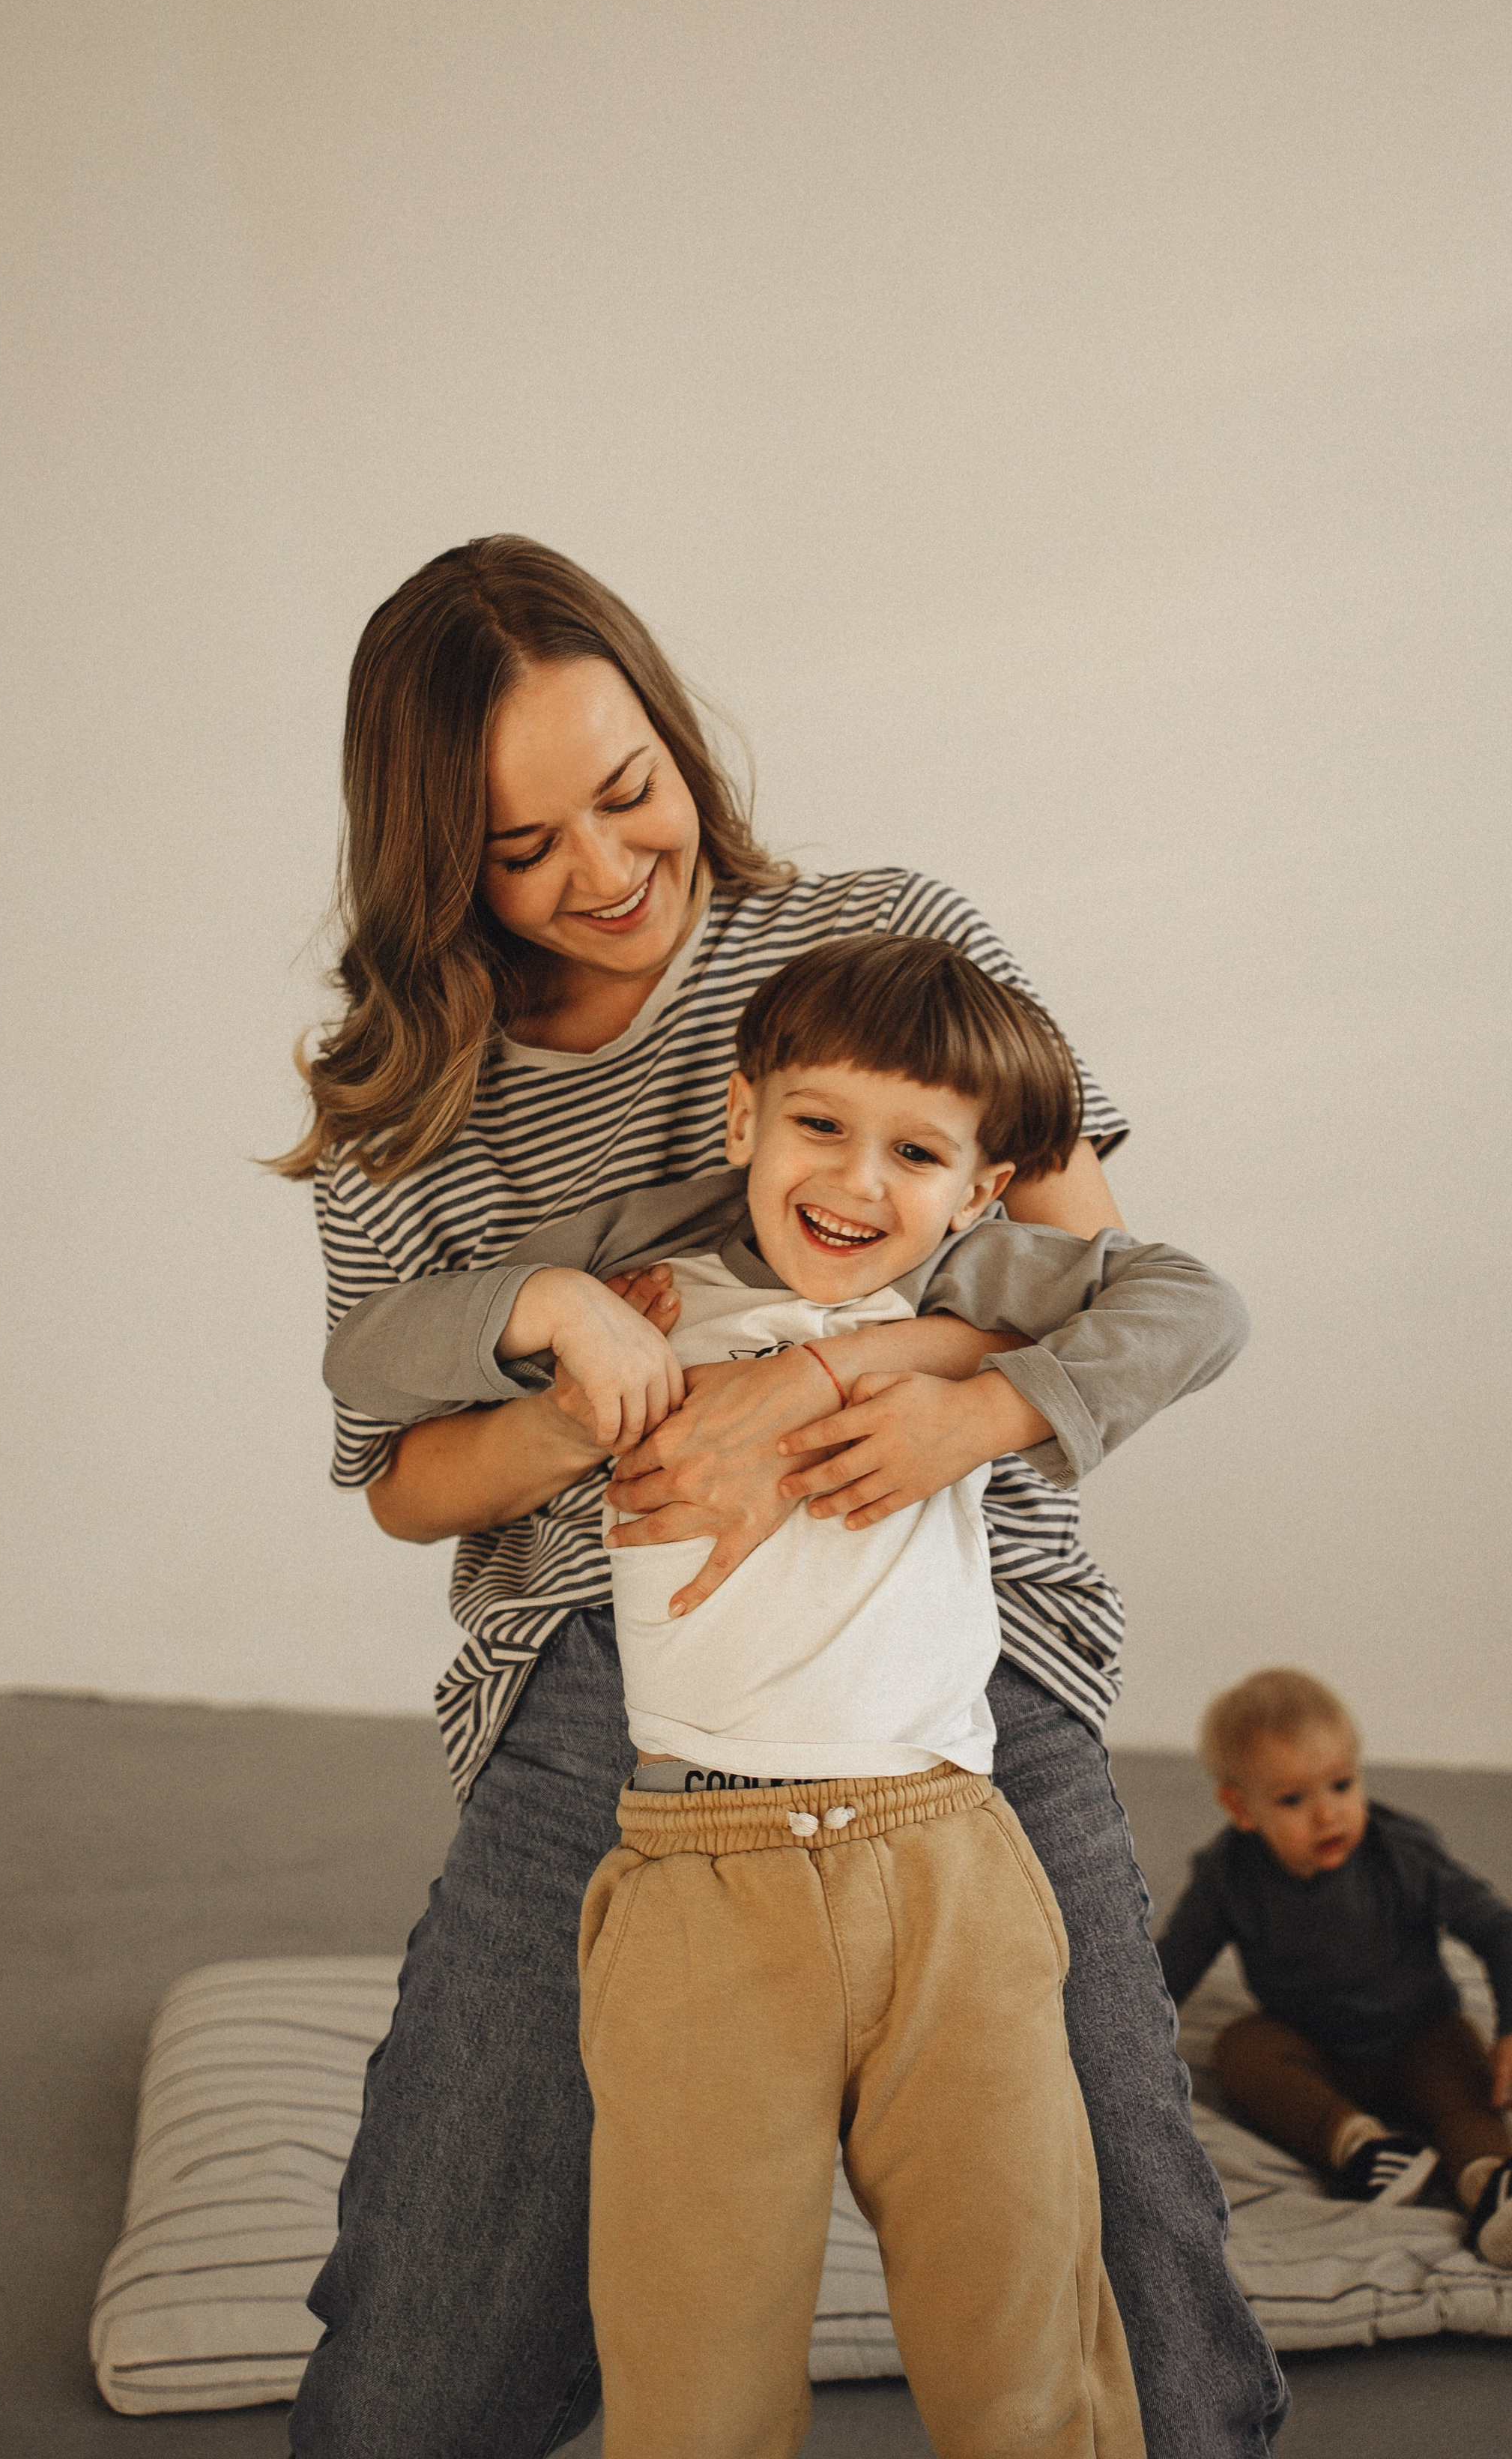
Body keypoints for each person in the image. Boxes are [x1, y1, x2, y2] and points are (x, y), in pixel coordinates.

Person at [277, 534, 1287, 2458]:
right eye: (518, 845)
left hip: (955, 1651)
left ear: (674, 730)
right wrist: (590, 1378)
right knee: (407, 2387)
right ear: (432, 859)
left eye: (627, 786)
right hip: (612, 1684)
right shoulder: (405, 1097)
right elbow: (403, 1474)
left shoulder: (885, 934)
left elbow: (1098, 1273)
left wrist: (871, 1393)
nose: (602, 868)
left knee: (1135, 2326)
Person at [332, 931, 1176, 2455]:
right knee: (690, 2344)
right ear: (741, 1118)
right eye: (818, 1128)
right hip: (696, 1875)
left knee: (1019, 2328)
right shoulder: (647, 1274)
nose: (856, 1184)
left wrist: (957, 1402)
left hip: (946, 1864)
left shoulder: (974, 1292)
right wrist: (553, 1311)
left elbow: (1195, 1305)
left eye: (915, 1152)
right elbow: (372, 1355)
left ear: (982, 1189)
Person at [1155, 1668, 1512, 2268]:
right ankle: (1364, 2147)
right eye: (1294, 1799)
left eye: (1341, 1786)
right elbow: (1172, 1967)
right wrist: (1116, 2036)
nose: (1327, 1815)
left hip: (1418, 2032)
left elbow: (1498, 1928)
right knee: (1241, 2048)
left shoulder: (1402, 1855)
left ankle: (1493, 2184)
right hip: (1313, 2047)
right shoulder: (1226, 1877)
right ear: (1241, 1808)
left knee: (1461, 2082)